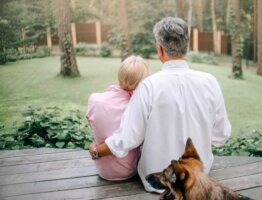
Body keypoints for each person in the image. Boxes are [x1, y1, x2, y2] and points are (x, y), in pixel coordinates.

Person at [89, 17, 231, 192]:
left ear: (160, 49)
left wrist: (96, 151)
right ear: (186, 47)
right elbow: (221, 136)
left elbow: (128, 138)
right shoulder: (210, 82)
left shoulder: (148, 86)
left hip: (158, 182)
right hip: (197, 179)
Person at [86, 55, 150, 180]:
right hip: (129, 171)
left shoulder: (94, 100)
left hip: (102, 170)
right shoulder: (137, 108)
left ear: (120, 77)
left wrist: (95, 145)